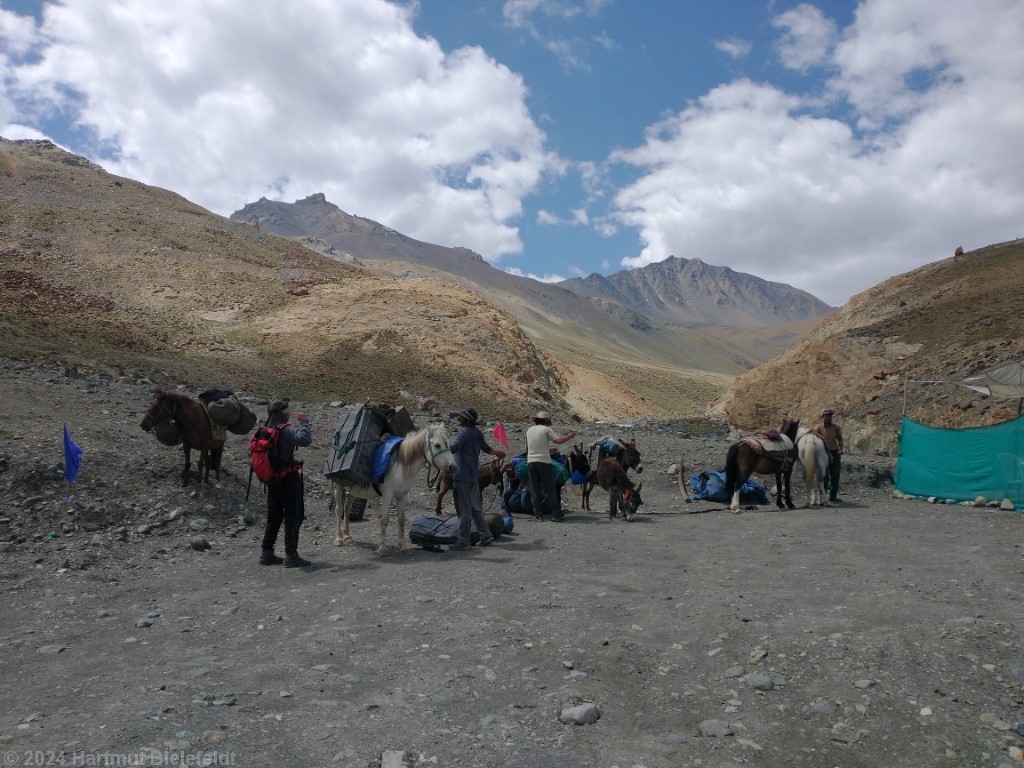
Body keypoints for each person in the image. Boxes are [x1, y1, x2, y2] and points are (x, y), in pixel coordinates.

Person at [260, 399, 313, 567]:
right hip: (288, 479)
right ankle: (291, 555)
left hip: (272, 480)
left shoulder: (263, 430)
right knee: (294, 515)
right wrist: (304, 422)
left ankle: (266, 553)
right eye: (287, 411)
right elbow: (304, 440)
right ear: (283, 413)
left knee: (274, 516)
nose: (289, 413)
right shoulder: (286, 428)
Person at [448, 407, 506, 550]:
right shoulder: (477, 433)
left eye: (461, 417)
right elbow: (487, 449)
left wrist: (438, 445)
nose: (459, 419)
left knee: (465, 509)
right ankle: (486, 536)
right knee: (476, 508)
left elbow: (453, 448)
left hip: (461, 475)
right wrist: (498, 453)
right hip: (473, 475)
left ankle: (464, 541)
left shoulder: (463, 432)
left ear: (467, 419)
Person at [526, 411, 576, 521]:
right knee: (551, 489)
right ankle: (556, 515)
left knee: (534, 490)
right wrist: (569, 436)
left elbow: (528, 447)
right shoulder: (546, 429)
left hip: (530, 462)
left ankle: (538, 516)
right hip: (543, 462)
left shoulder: (529, 430)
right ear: (546, 421)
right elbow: (558, 441)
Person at [813, 408, 844, 503]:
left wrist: (841, 448)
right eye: (826, 416)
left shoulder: (836, 427)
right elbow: (813, 440)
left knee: (835, 475)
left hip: (834, 453)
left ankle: (833, 496)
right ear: (822, 417)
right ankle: (823, 496)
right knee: (824, 476)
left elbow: (840, 439)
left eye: (830, 416)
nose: (828, 418)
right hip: (823, 454)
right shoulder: (817, 428)